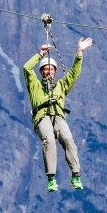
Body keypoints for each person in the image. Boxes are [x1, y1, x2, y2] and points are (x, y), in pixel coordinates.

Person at [23, 36, 94, 192]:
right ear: (41, 71)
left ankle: (75, 174)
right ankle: (51, 178)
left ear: (55, 72)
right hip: (42, 117)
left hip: (58, 117)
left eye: (51, 69)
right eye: (46, 69)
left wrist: (79, 52)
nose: (49, 71)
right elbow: (27, 68)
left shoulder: (61, 86)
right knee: (49, 140)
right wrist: (41, 54)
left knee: (68, 138)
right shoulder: (34, 85)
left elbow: (74, 73)